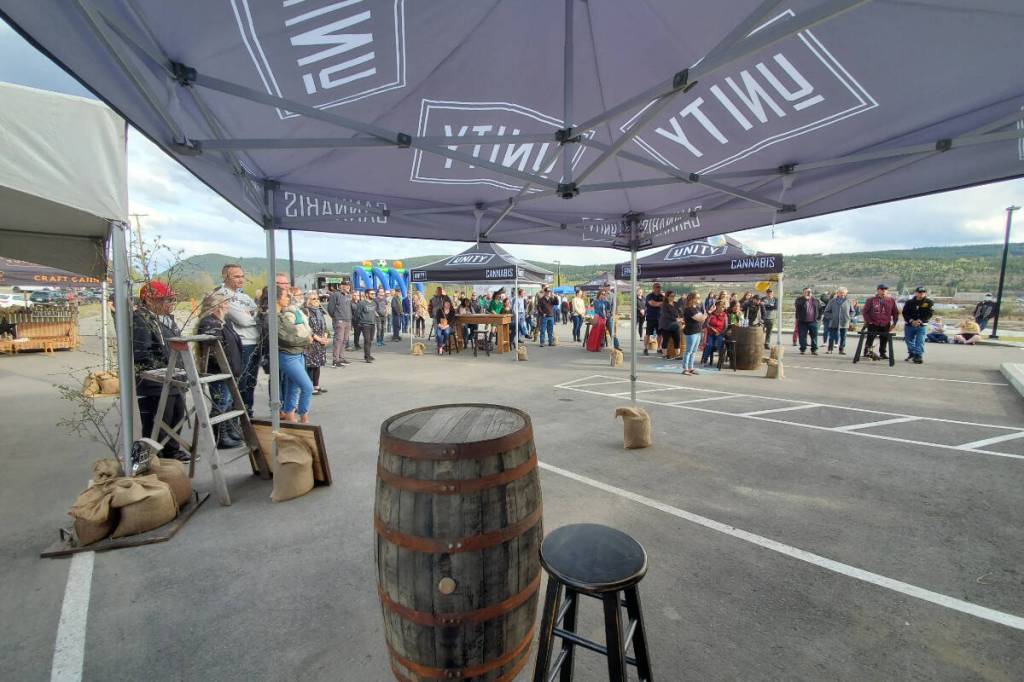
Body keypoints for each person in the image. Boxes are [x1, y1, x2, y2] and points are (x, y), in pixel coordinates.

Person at [133, 281, 188, 461]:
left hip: (175, 379)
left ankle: (171, 452)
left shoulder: (167, 319)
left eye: (171, 299)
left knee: (176, 416)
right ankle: (152, 458)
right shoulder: (141, 319)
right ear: (149, 300)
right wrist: (166, 367)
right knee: (158, 422)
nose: (169, 303)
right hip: (155, 384)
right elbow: (142, 354)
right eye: (165, 299)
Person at [196, 290, 244, 449]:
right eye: (225, 302)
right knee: (221, 402)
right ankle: (220, 437)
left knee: (229, 402)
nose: (227, 305)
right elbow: (213, 350)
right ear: (216, 305)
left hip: (229, 369)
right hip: (218, 371)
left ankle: (230, 431)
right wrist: (226, 366)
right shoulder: (209, 323)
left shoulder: (224, 321)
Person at [217, 264, 260, 417]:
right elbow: (243, 320)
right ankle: (240, 417)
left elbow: (259, 313)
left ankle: (249, 413)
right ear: (225, 277)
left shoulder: (244, 296)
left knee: (251, 382)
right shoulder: (222, 295)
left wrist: (253, 314)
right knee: (241, 382)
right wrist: (251, 315)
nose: (241, 279)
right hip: (241, 344)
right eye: (236, 276)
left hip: (255, 342)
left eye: (242, 276)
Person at [270, 283, 312, 423]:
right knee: (307, 387)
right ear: (277, 299)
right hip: (288, 356)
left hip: (297, 353)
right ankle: (303, 417)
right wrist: (306, 340)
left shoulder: (281, 314)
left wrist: (303, 338)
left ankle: (290, 415)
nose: (288, 298)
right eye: (285, 296)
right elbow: (286, 339)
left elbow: (294, 333)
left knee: (293, 387)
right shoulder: (274, 317)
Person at [861, 284, 899, 361]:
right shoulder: (871, 300)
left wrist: (894, 323)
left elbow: (895, 312)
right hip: (873, 323)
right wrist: (869, 321)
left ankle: (882, 353)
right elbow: (865, 312)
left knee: (884, 339)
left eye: (885, 289)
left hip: (885, 323)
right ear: (878, 290)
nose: (883, 291)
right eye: (882, 289)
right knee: (870, 338)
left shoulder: (891, 300)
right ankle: (867, 352)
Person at [302, 292, 329, 394]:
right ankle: (309, 387)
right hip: (312, 342)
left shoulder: (319, 312)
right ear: (308, 301)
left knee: (317, 364)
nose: (317, 300)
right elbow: (307, 328)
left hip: (320, 342)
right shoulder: (306, 312)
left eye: (317, 298)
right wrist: (318, 338)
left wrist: (325, 337)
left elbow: (325, 326)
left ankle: (316, 385)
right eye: (314, 299)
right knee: (310, 365)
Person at [901, 286, 934, 364]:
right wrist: (911, 321)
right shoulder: (909, 302)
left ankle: (918, 356)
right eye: (919, 292)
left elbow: (929, 314)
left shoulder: (929, 302)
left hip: (922, 325)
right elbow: (905, 313)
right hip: (909, 324)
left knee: (920, 341)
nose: (921, 293)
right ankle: (912, 353)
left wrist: (920, 321)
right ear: (916, 293)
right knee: (908, 340)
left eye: (923, 292)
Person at [326, 282, 352, 367]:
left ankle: (341, 358)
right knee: (338, 340)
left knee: (345, 340)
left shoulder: (348, 296)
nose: (348, 287)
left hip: (348, 320)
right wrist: (336, 317)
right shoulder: (335, 295)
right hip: (339, 321)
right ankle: (335, 360)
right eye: (346, 285)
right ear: (341, 286)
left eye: (349, 285)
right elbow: (330, 308)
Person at [680, 292, 705, 375]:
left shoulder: (696, 308)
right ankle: (685, 368)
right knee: (688, 351)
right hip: (691, 332)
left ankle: (691, 368)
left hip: (697, 331)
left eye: (699, 297)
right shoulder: (689, 309)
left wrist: (705, 314)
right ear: (692, 299)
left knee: (694, 351)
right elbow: (700, 319)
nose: (699, 299)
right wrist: (707, 313)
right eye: (697, 297)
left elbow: (702, 318)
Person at [824, 287, 853, 354]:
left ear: (846, 293)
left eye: (843, 293)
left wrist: (849, 317)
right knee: (832, 336)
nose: (842, 294)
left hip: (844, 322)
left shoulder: (848, 301)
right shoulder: (832, 301)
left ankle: (841, 350)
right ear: (838, 293)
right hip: (834, 322)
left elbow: (852, 311)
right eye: (840, 292)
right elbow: (826, 312)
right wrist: (832, 317)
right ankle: (829, 349)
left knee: (843, 337)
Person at [794, 288, 822, 355]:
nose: (808, 293)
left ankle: (814, 349)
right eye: (806, 292)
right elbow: (797, 307)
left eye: (809, 292)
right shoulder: (799, 300)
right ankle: (803, 349)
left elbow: (820, 309)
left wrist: (819, 318)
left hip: (813, 321)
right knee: (802, 336)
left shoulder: (816, 300)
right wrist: (805, 299)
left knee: (814, 336)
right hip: (802, 321)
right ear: (803, 293)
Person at [353, 289, 377, 362]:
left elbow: (373, 312)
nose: (373, 295)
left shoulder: (374, 303)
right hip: (365, 324)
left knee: (370, 340)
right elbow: (357, 314)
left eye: (374, 294)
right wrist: (358, 323)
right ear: (367, 294)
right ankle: (367, 357)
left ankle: (367, 355)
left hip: (372, 324)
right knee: (367, 340)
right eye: (372, 294)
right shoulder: (362, 303)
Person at [701, 301, 727, 366]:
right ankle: (705, 359)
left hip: (720, 333)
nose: (723, 308)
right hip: (711, 333)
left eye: (724, 307)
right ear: (717, 306)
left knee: (720, 344)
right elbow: (706, 324)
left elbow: (725, 326)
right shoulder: (711, 314)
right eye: (722, 306)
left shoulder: (724, 315)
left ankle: (721, 360)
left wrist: (720, 333)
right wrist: (712, 328)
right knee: (709, 345)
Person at [657, 290, 681, 358]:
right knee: (666, 339)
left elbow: (680, 312)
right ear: (667, 297)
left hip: (675, 325)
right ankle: (664, 354)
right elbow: (665, 315)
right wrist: (675, 319)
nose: (673, 297)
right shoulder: (664, 305)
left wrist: (681, 318)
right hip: (666, 324)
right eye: (671, 296)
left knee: (677, 339)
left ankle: (677, 355)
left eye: (674, 296)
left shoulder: (676, 304)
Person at [643, 282, 664, 355]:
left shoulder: (662, 296)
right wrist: (661, 303)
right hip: (650, 317)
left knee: (660, 334)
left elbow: (666, 304)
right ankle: (645, 348)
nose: (659, 289)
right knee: (648, 334)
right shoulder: (649, 296)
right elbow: (652, 303)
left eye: (660, 287)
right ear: (653, 288)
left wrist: (662, 302)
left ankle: (659, 348)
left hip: (660, 318)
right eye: (657, 287)